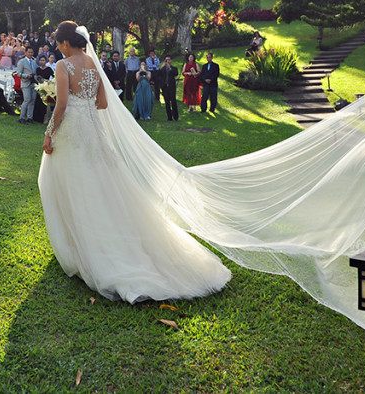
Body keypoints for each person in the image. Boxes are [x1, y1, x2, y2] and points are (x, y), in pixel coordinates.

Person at [39, 21, 231, 303]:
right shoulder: (92, 63)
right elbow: (103, 103)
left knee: (73, 184)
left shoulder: (63, 66)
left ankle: (82, 247)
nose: (57, 47)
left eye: (58, 43)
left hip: (72, 133)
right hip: (93, 131)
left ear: (65, 43)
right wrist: (84, 106)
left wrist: (49, 132)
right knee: (103, 184)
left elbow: (63, 103)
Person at [16, 46, 38, 124]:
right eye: (29, 52)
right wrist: (26, 75)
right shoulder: (22, 62)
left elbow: (35, 72)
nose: (30, 54)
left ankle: (29, 117)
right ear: (25, 53)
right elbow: (18, 73)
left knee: (32, 100)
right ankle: (21, 117)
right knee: (27, 99)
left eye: (32, 52)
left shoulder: (34, 61)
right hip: (25, 83)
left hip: (33, 83)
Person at [157, 55, 181, 121]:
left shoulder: (174, 68)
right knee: (167, 102)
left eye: (168, 60)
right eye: (166, 60)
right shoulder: (163, 69)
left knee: (173, 101)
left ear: (171, 60)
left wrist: (170, 68)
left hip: (171, 87)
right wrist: (161, 67)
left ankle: (176, 117)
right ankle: (169, 117)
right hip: (165, 87)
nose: (167, 61)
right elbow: (158, 74)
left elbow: (176, 73)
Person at [33, 55, 54, 124]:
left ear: (46, 61)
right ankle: (37, 118)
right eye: (41, 60)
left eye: (43, 60)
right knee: (38, 102)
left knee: (47, 103)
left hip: (46, 87)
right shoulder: (37, 69)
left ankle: (46, 118)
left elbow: (53, 77)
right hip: (39, 87)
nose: (42, 62)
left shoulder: (49, 69)